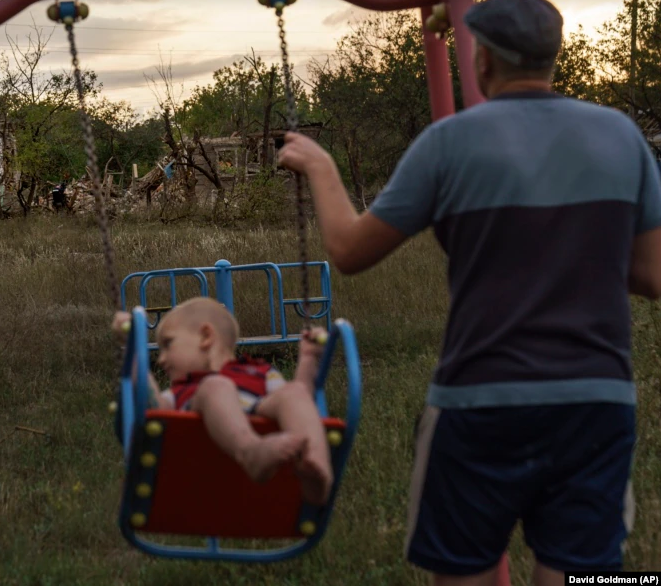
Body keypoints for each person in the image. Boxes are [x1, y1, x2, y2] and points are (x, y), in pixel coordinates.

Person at [277, 0, 661, 583]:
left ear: (482, 60)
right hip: (595, 400)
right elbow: (652, 275)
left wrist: (320, 167)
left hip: (480, 400)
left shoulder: (449, 142)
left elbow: (351, 252)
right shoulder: (621, 136)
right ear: (552, 54)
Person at [112, 298, 334, 505]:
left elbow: (301, 405)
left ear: (206, 337)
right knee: (215, 385)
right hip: (200, 478)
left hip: (258, 411)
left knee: (294, 392)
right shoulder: (182, 392)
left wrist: (308, 359)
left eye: (168, 344)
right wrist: (134, 352)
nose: (161, 360)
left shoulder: (260, 372)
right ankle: (250, 452)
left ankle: (315, 467)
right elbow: (151, 410)